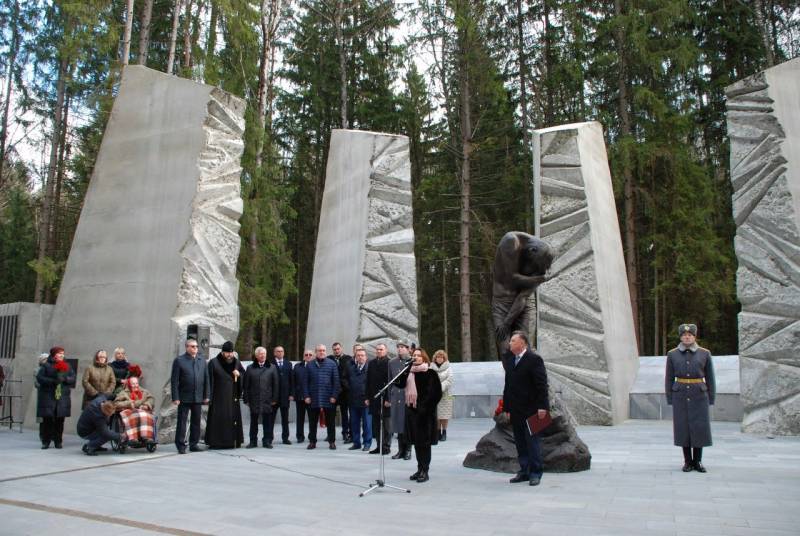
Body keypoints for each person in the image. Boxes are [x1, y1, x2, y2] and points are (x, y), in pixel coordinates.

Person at [666, 323, 716, 473]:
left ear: (694, 336)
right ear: (680, 337)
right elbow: (669, 377)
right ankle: (687, 461)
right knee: (683, 428)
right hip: (680, 394)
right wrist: (670, 397)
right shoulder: (672, 354)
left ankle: (698, 461)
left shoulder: (704, 353)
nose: (687, 337)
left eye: (690, 335)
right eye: (684, 335)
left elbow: (710, 377)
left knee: (699, 427)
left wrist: (711, 397)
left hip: (699, 394)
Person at [502, 331, 549, 487]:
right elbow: (508, 385)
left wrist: (543, 406)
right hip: (515, 409)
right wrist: (507, 407)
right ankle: (524, 471)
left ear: (522, 343)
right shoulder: (510, 360)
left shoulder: (534, 359)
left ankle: (536, 472)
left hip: (532, 409)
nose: (510, 343)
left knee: (532, 442)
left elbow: (541, 385)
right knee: (520, 442)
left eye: (513, 340)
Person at [396, 348, 442, 482]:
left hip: (425, 415)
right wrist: (405, 370)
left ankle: (425, 471)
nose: (415, 357)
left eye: (418, 355)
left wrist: (424, 408)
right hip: (412, 413)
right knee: (416, 443)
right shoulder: (409, 372)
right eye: (414, 355)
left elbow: (436, 394)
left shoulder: (430, 373)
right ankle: (419, 468)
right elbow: (399, 384)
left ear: (424, 358)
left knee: (424, 444)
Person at [170, 338, 209, 454]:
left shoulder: (202, 360)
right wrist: (175, 397)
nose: (195, 348)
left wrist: (206, 395)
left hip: (198, 396)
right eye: (192, 346)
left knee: (196, 421)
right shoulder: (179, 360)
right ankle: (180, 445)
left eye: (196, 346)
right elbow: (174, 380)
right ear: (187, 347)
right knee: (182, 421)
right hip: (184, 396)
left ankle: (194, 444)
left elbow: (206, 379)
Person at [205, 341, 245, 449]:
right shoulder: (214, 363)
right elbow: (208, 380)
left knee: (231, 419)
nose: (230, 355)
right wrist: (208, 396)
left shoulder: (236, 363)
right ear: (222, 352)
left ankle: (232, 442)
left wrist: (239, 375)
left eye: (231, 353)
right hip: (218, 397)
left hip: (232, 397)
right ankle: (216, 442)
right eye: (227, 353)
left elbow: (244, 376)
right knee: (218, 420)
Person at [36, 346, 76, 449]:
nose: (62, 355)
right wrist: (53, 381)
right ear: (54, 355)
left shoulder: (68, 366)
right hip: (48, 396)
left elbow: (73, 378)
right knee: (47, 420)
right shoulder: (46, 366)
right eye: (59, 353)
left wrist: (65, 379)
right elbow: (40, 378)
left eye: (63, 353)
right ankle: (46, 441)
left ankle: (58, 441)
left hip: (62, 397)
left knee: (60, 420)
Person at [303, 344, 340, 450]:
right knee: (312, 422)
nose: (322, 352)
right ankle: (312, 442)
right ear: (316, 352)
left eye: (323, 350)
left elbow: (336, 382)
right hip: (313, 398)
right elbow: (305, 382)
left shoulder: (332, 364)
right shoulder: (309, 365)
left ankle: (332, 442)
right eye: (319, 350)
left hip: (329, 398)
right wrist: (306, 396)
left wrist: (334, 396)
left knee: (331, 422)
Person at [243, 346, 279, 448]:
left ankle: (267, 441)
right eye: (260, 353)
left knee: (267, 422)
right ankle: (253, 441)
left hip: (267, 400)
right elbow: (246, 386)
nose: (263, 355)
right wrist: (246, 399)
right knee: (253, 422)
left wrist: (274, 399)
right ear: (256, 355)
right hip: (254, 400)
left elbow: (276, 385)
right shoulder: (250, 368)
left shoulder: (272, 367)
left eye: (264, 353)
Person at [114, 376, 156, 445]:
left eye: (136, 383)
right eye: (133, 384)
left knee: (145, 415)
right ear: (129, 384)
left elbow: (151, 399)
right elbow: (116, 403)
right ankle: (133, 438)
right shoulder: (123, 393)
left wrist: (146, 405)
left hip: (141, 410)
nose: (135, 385)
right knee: (134, 416)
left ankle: (146, 437)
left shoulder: (144, 391)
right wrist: (128, 404)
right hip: (129, 411)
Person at [365, 343, 391, 455]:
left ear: (386, 350)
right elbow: (368, 381)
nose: (379, 351)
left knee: (386, 425)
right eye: (377, 349)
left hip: (385, 398)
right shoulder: (371, 363)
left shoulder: (390, 363)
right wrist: (367, 397)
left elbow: (391, 383)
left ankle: (386, 446)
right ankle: (378, 446)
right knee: (376, 424)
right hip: (374, 398)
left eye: (381, 349)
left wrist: (388, 399)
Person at [389, 341, 412, 460]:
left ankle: (408, 450)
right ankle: (400, 450)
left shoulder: (411, 361)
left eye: (402, 347)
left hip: (407, 396)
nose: (399, 349)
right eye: (398, 347)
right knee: (397, 424)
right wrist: (389, 397)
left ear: (408, 349)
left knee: (406, 425)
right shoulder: (392, 362)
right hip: (396, 396)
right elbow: (390, 380)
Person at [328, 342, 353, 443]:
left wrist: (346, 387)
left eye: (338, 349)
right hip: (333, 391)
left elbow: (350, 375)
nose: (336, 351)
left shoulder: (348, 359)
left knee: (344, 413)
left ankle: (345, 433)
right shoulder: (329, 359)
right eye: (334, 349)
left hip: (344, 392)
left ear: (341, 348)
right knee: (330, 414)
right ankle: (330, 433)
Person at [346, 348, 372, 451]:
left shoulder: (370, 368)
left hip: (365, 401)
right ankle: (356, 443)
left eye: (362, 355)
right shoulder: (351, 368)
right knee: (354, 424)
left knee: (367, 424)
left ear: (366, 357)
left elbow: (372, 385)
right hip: (353, 400)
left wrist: (369, 397)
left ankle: (367, 443)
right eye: (358, 355)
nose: (360, 357)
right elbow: (346, 381)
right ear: (355, 357)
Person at [272, 346, 294, 445]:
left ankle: (285, 438)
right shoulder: (270, 364)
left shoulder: (288, 364)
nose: (280, 353)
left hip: (285, 397)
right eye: (278, 351)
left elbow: (292, 380)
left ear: (284, 353)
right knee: (271, 418)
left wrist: (291, 394)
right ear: (274, 353)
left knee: (285, 419)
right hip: (274, 397)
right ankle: (269, 438)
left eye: (282, 351)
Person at [431, 349, 454, 441]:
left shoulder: (449, 368)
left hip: (445, 394)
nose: (439, 359)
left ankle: (444, 432)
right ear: (435, 358)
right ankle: (437, 432)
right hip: (434, 395)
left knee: (444, 415)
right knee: (436, 415)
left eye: (441, 357)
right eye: (438, 357)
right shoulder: (431, 367)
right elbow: (429, 378)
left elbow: (450, 380)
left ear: (444, 358)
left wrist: (440, 386)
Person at [293, 350, 313, 443]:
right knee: (300, 418)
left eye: (310, 355)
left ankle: (311, 436)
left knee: (312, 418)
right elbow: (293, 381)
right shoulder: (297, 366)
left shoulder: (316, 366)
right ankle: (300, 436)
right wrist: (293, 394)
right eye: (306, 354)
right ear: (303, 356)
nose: (308, 356)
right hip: (300, 397)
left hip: (312, 398)